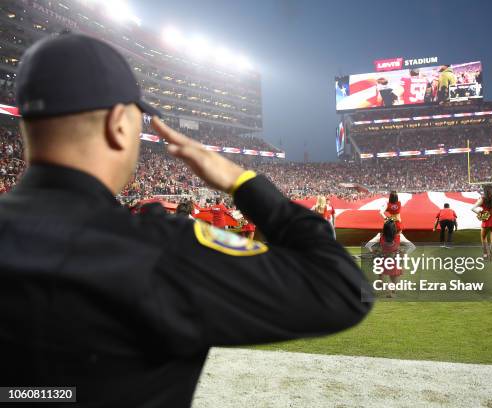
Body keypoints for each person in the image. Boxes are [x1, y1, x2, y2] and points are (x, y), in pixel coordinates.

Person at [0, 33, 371, 407]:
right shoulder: (158, 249)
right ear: (118, 124)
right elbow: (342, 288)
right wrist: (240, 181)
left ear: (25, 128)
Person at [365, 219, 415, 298]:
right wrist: (404, 253)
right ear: (394, 229)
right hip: (394, 261)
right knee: (394, 280)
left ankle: (381, 281)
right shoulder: (399, 236)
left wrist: (373, 252)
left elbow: (367, 245)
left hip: (382, 260)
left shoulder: (380, 236)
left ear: (384, 228)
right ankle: (391, 291)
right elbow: (412, 247)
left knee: (381, 269)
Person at [471, 184, 492, 261]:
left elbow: (472, 208)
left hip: (486, 220)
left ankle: (485, 255)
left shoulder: (482, 198)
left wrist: (480, 214)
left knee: (483, 238)